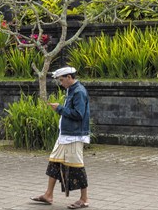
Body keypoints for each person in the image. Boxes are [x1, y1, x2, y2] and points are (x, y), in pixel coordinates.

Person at [30, 66, 91, 209]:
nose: (61, 83)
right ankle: (48, 195)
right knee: (54, 162)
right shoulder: (72, 90)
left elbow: (79, 114)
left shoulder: (79, 92)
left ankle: (84, 199)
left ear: (70, 77)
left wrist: (59, 108)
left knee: (77, 165)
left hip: (74, 135)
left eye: (62, 80)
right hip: (66, 134)